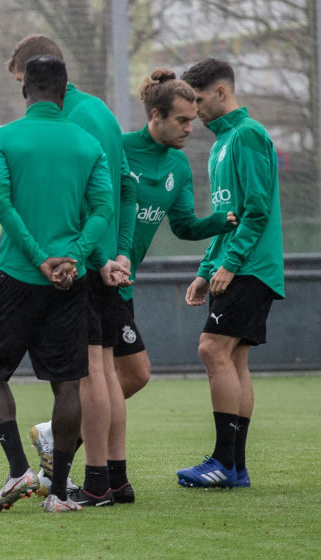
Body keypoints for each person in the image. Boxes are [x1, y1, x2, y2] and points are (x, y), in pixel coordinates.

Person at [0, 55, 112, 514]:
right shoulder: (87, 144)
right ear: (64, 91)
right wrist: (72, 259)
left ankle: (18, 469)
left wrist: (38, 259)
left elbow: (3, 205)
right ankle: (58, 494)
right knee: (68, 385)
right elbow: (101, 212)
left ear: (25, 92)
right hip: (70, 283)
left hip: (17, 275)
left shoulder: (2, 140)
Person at [7, 34, 134, 507]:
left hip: (83, 264)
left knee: (90, 373)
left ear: (40, 77)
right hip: (105, 260)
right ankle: (117, 476)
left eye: (25, 84)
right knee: (108, 372)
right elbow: (124, 188)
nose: (25, 96)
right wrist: (121, 253)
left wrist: (94, 259)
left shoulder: (70, 121)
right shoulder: (102, 111)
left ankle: (98, 478)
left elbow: (87, 201)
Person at [175, 58, 283, 488]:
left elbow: (256, 212)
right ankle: (234, 469)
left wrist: (230, 264)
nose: (195, 110)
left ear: (222, 92)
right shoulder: (222, 143)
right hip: (234, 264)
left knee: (212, 350)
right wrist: (206, 269)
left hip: (251, 266)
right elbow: (228, 217)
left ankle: (222, 461)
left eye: (199, 100)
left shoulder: (249, 135)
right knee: (235, 359)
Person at [114, 69, 237, 399]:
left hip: (124, 284)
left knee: (125, 375)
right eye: (182, 120)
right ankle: (65, 438)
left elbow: (184, 226)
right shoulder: (118, 150)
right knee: (128, 372)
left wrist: (222, 221)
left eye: (192, 119)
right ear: (156, 115)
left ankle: (57, 435)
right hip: (97, 276)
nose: (189, 128)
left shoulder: (179, 166)